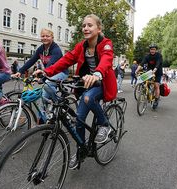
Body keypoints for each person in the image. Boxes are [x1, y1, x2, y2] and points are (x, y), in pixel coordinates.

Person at [34, 14, 117, 168]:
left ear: (99, 29)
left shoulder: (106, 44)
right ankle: (81, 151)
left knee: (88, 99)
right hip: (86, 84)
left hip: (102, 82)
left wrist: (97, 74)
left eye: (90, 25)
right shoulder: (81, 46)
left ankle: (104, 124)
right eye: (84, 25)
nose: (85, 28)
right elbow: (66, 59)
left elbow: (107, 59)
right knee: (79, 119)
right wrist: (47, 72)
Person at [12, 28, 69, 122]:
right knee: (43, 96)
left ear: (52, 37)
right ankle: (42, 119)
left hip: (61, 73)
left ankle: (60, 103)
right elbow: (31, 60)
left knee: (48, 85)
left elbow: (51, 64)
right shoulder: (41, 49)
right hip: (49, 73)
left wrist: (42, 79)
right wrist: (20, 71)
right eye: (43, 36)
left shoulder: (56, 49)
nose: (45, 38)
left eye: (47, 36)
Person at [135, 44, 163, 109]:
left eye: (154, 49)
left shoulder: (159, 55)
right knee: (144, 82)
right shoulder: (147, 56)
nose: (152, 51)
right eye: (151, 49)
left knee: (156, 86)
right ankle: (146, 93)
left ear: (156, 50)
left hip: (157, 72)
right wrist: (137, 70)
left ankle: (156, 100)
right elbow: (142, 63)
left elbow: (158, 64)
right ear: (149, 50)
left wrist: (155, 70)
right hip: (150, 72)